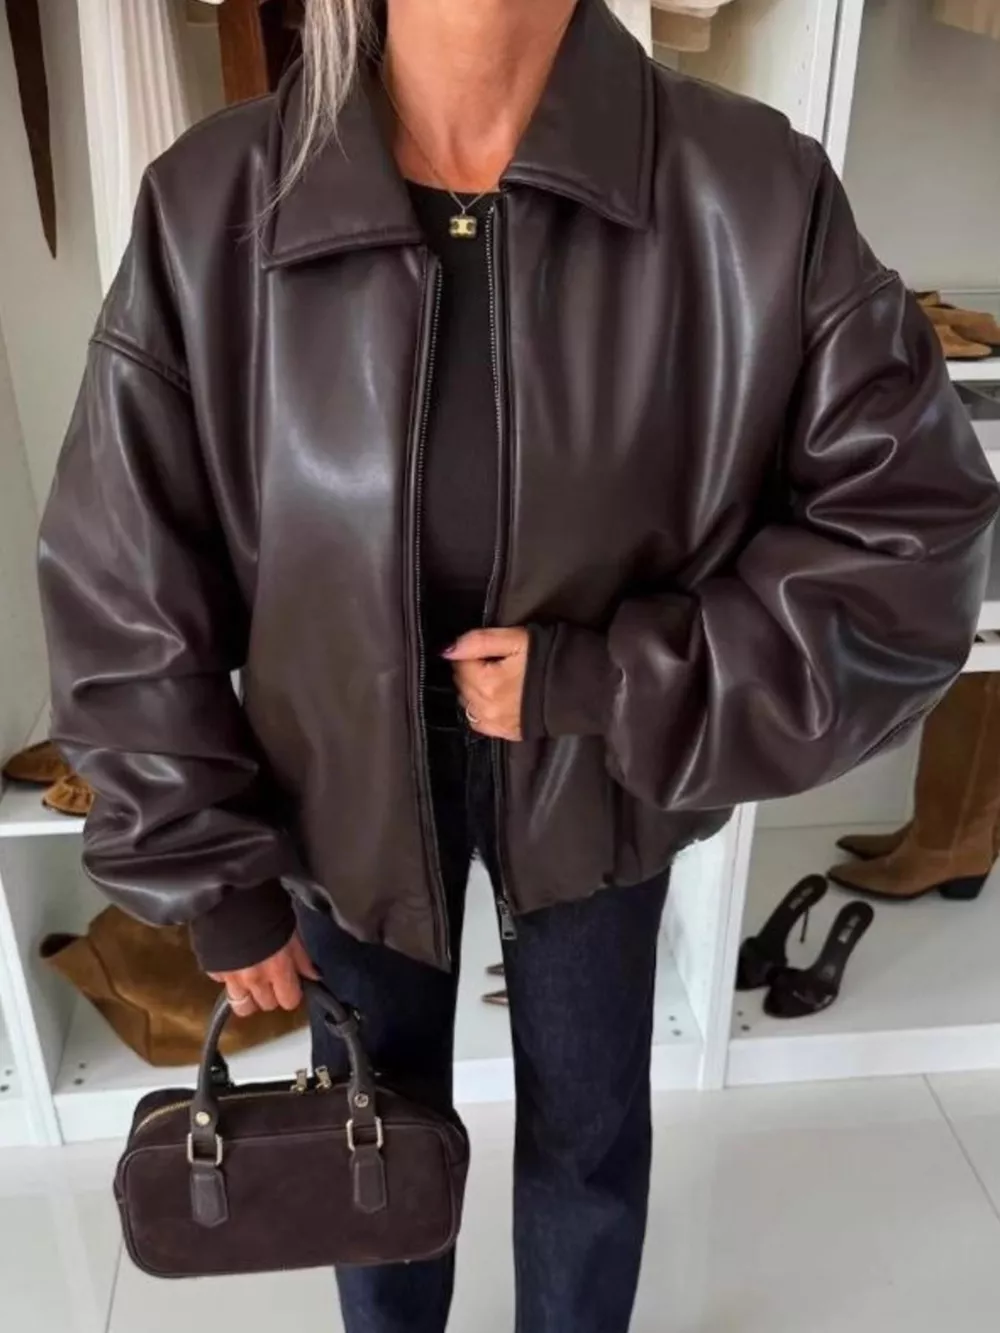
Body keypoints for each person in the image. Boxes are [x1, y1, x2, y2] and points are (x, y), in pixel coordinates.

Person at [38, 0, 998, 1329]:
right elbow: (124, 566)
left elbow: (911, 534)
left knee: (588, 1142)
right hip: (335, 783)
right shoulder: (216, 202)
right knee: (368, 1144)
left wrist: (611, 682)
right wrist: (209, 868)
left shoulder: (748, 189)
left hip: (600, 765)